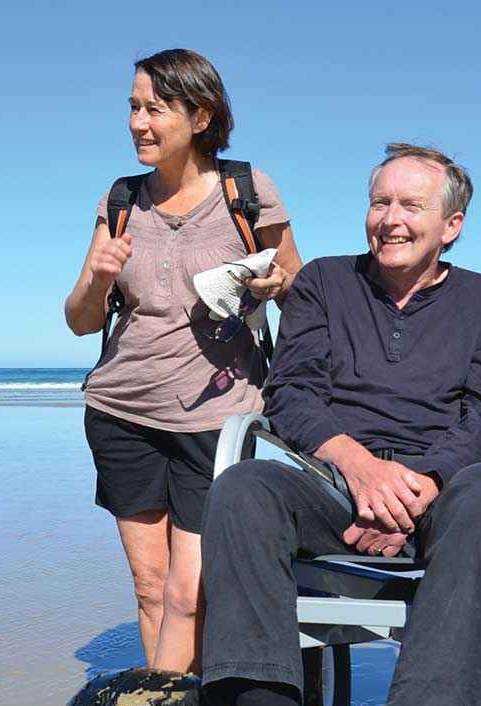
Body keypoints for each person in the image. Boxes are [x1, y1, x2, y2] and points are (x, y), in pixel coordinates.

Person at [190, 143, 481, 706]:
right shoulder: (322, 285)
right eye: (381, 202)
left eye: (411, 206)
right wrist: (363, 470)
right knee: (242, 488)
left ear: (452, 225)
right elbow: (293, 396)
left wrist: (414, 487)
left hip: (445, 493)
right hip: (336, 484)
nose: (391, 220)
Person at [64, 49, 302, 673]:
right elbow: (81, 319)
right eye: (134, 108)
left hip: (215, 418)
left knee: (188, 592)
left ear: (200, 116)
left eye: (156, 109)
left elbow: (300, 292)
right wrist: (99, 278)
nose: (139, 123)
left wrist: (275, 286)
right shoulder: (120, 200)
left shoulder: (246, 192)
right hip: (121, 410)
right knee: (150, 588)